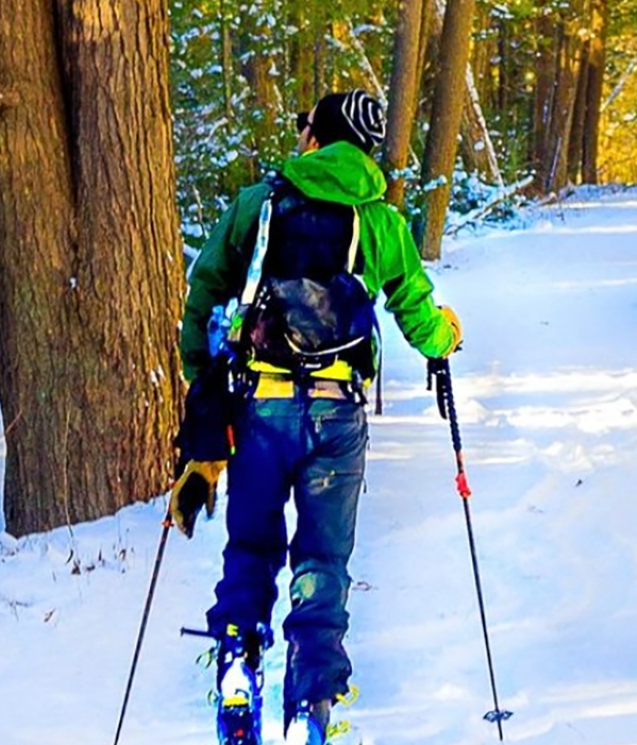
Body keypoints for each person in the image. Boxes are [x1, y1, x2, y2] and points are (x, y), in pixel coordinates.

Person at [171, 90, 461, 745]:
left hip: (259, 413)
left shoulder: (260, 204)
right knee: (322, 562)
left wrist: (202, 381)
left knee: (250, 549)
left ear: (316, 136)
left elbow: (205, 292)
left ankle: (238, 677)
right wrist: (448, 336)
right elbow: (419, 314)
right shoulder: (379, 220)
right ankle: (310, 708)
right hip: (337, 412)